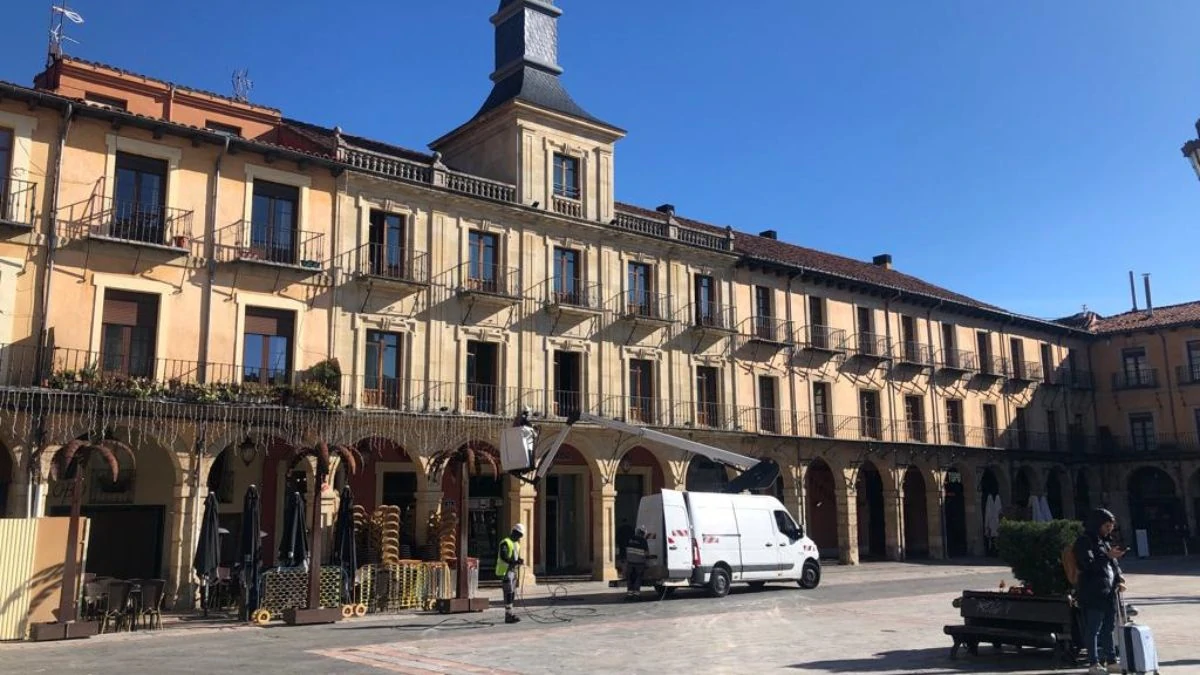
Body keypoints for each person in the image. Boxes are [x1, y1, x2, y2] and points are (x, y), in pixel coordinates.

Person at [1073, 508, 1127, 675]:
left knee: (1109, 627)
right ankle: (1094, 662)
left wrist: (1119, 579)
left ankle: (1111, 660)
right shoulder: (1085, 541)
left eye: (1111, 525)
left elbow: (1113, 566)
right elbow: (1087, 565)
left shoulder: (1105, 542)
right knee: (1094, 628)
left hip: (1109, 590)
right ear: (1097, 524)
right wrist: (1107, 556)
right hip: (1093, 591)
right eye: (1106, 525)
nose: (1109, 529)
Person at [496, 523, 526, 624]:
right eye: (518, 534)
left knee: (512, 593)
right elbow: (504, 556)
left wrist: (519, 560)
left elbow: (515, 557)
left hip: (513, 571)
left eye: (520, 536)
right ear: (513, 532)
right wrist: (514, 562)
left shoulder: (517, 544)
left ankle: (510, 614)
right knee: (508, 593)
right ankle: (508, 615)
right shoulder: (505, 542)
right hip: (505, 571)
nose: (519, 537)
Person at [624, 525, 649, 600]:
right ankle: (636, 594)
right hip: (639, 563)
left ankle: (629, 594)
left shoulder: (630, 539)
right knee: (638, 578)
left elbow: (626, 549)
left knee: (630, 578)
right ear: (643, 533)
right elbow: (646, 553)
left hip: (630, 562)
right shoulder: (643, 540)